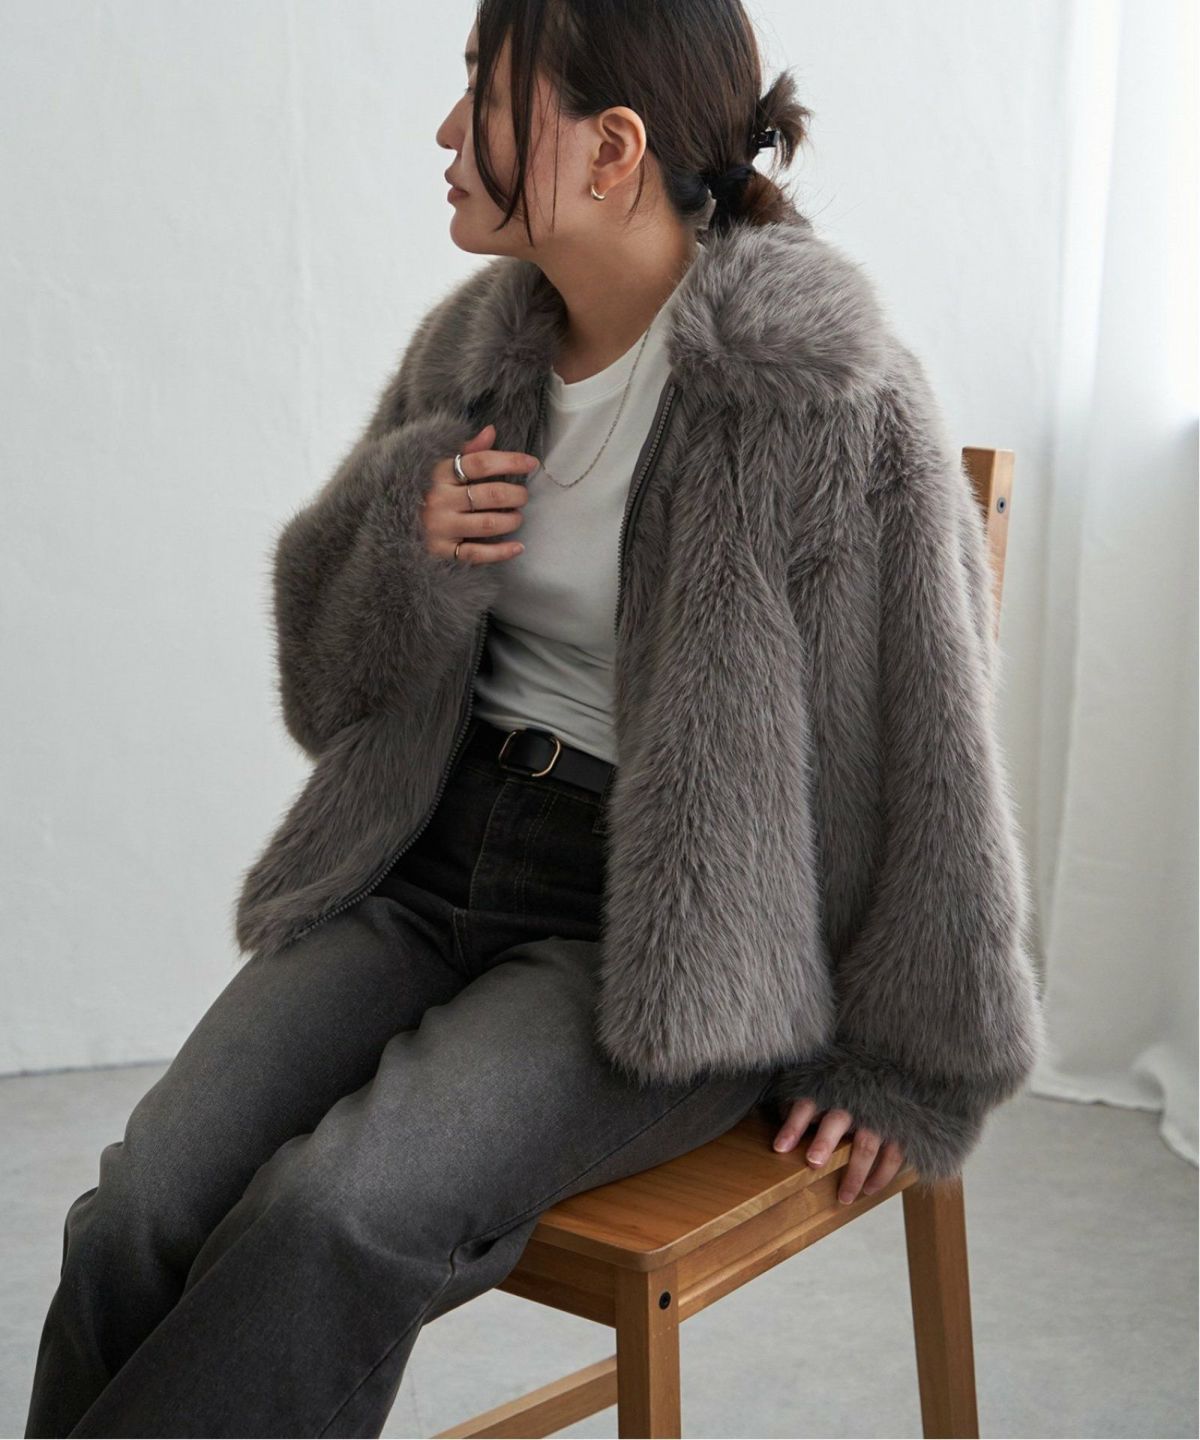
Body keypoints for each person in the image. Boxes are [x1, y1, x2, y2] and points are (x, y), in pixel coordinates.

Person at [24, 1, 1044, 1435]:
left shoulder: (823, 398)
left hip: (656, 936)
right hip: (421, 863)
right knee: (139, 1209)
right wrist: (407, 542)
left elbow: (934, 748)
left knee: (333, 1213)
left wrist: (906, 1061)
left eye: (484, 97)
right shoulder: (475, 347)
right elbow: (328, 691)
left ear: (613, 149)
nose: (448, 133)